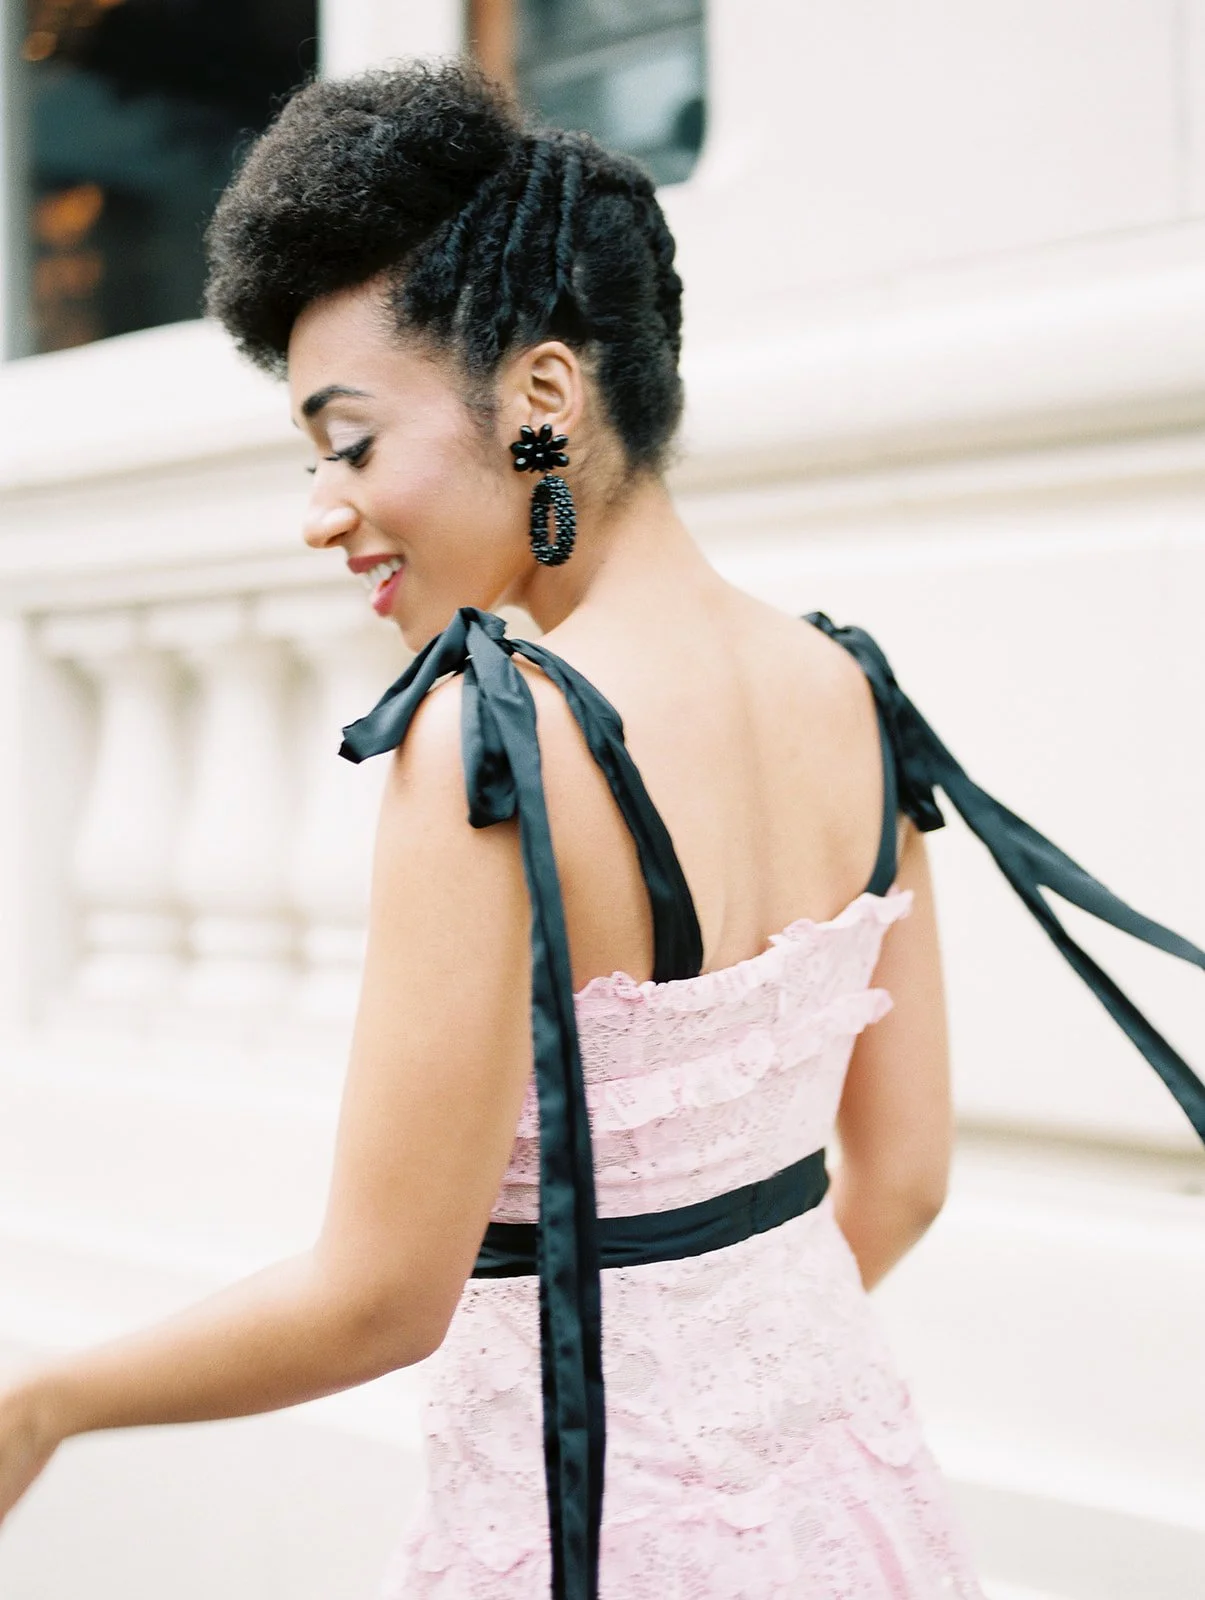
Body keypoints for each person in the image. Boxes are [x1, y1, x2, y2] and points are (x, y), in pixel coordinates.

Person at [1, 60, 1202, 1600]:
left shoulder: (493, 742)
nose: (319, 508)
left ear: (545, 398)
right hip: (852, 1519)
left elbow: (381, 1296)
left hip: (596, 1544)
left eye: (350, 441)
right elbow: (899, 1179)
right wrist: (737, 1406)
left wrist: (47, 1403)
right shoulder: (851, 688)